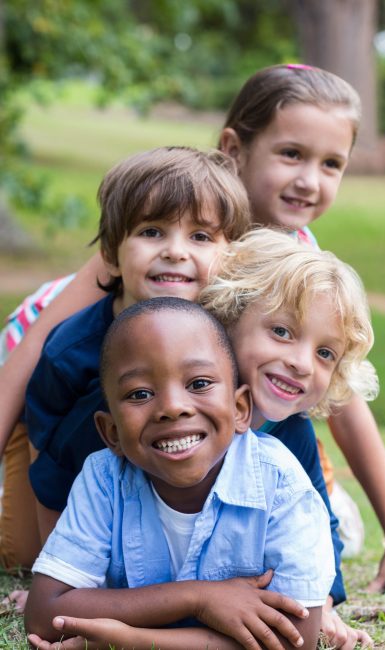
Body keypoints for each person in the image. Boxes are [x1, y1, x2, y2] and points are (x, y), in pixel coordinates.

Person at [0, 63, 385, 642]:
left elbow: (337, 396)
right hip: (40, 407)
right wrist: (65, 574)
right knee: (22, 544)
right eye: (291, 154)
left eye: (331, 164)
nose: (308, 180)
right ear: (235, 147)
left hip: (175, 424)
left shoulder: (285, 265)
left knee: (265, 407)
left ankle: (316, 508)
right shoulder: (149, 223)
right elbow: (39, 355)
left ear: (226, 252)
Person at [28, 230, 378, 650]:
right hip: (65, 484)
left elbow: (296, 630)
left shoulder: (287, 461)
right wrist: (56, 571)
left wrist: (322, 600)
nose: (301, 362)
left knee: (324, 516)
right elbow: (49, 601)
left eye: (325, 353)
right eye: (282, 332)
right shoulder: (108, 460)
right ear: (228, 319)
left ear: (241, 407)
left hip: (293, 515)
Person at [2, 145, 251, 571]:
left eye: (200, 236)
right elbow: (51, 465)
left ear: (230, 257)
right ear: (110, 256)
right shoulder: (69, 351)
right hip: (50, 441)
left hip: (163, 452)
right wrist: (56, 566)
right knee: (20, 556)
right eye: (152, 232)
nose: (175, 251)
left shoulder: (232, 336)